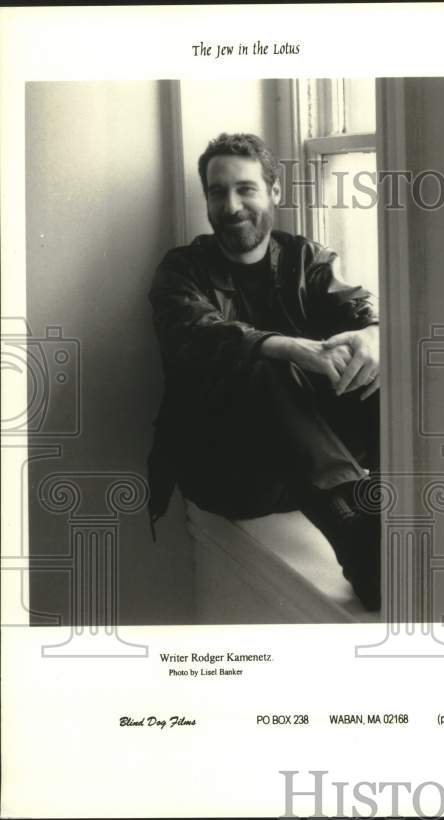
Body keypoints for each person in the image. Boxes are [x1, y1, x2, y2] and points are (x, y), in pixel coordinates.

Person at [147, 132, 382, 611]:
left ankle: (425, 517)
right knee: (259, 362)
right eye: (218, 192)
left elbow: (360, 311)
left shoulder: (306, 260)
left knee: (369, 360)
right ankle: (360, 532)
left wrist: (372, 336)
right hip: (231, 472)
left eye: (245, 189)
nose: (231, 206)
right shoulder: (182, 269)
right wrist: (290, 348)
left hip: (304, 470)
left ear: (274, 191)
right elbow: (196, 334)